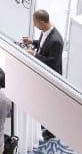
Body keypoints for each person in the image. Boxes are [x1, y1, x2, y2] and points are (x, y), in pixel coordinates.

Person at [22, 9, 63, 140]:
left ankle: (52, 131)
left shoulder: (57, 41)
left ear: (42, 22)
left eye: (35, 22)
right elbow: (43, 45)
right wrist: (32, 42)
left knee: (51, 105)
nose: (34, 25)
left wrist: (34, 55)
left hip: (51, 77)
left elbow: (52, 63)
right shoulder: (45, 31)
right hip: (42, 74)